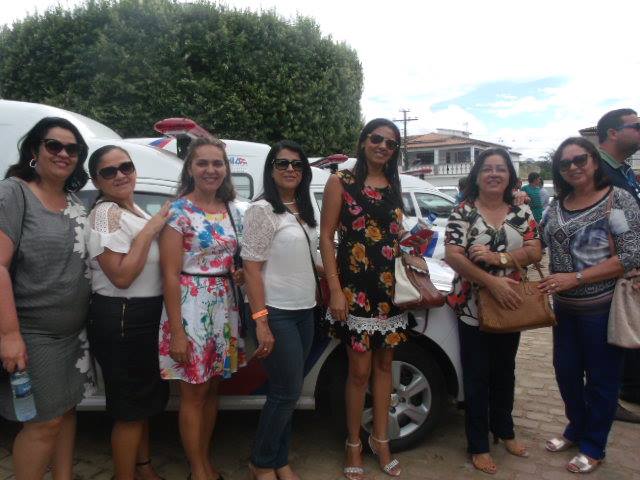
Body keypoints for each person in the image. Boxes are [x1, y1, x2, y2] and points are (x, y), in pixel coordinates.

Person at [0, 117, 95, 479]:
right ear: (34, 150)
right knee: (43, 423)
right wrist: (9, 335)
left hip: (73, 334)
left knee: (66, 410)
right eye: (54, 145)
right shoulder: (14, 193)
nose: (63, 154)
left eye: (72, 149)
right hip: (34, 334)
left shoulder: (73, 199)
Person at [538, 137, 640, 473]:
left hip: (603, 309)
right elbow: (537, 240)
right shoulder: (557, 204)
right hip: (564, 309)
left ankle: (594, 445)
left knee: (602, 380)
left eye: (580, 159)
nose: (573, 167)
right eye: (565, 163)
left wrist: (576, 278)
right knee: (566, 373)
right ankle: (575, 427)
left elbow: (629, 254)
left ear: (594, 160)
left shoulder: (616, 200)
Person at [444, 147, 541, 475]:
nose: (494, 174)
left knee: (505, 371)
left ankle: (504, 430)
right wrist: (491, 282)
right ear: (477, 176)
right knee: (476, 376)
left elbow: (535, 250)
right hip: (472, 307)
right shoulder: (463, 211)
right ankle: (478, 445)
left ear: (509, 176)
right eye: (488, 168)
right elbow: (453, 255)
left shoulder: (521, 211)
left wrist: (500, 259)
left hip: (510, 306)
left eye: (501, 168)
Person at [320, 118, 406, 479]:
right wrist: (336, 290)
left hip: (389, 291)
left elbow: (395, 236)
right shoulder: (341, 181)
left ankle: (381, 439)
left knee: (385, 368)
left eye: (390, 143)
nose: (383, 146)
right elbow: (326, 237)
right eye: (377, 138)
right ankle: (353, 441)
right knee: (358, 372)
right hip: (354, 290)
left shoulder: (395, 185)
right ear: (363, 141)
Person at [159, 137, 245, 480]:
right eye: (203, 163)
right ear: (190, 169)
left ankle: (205, 460)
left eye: (217, 163)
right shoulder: (178, 211)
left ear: (226, 169)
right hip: (190, 306)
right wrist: (177, 333)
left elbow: (233, 259)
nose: (211, 170)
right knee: (193, 394)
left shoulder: (232, 210)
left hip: (224, 305)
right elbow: (169, 274)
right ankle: (197, 470)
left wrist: (236, 273)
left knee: (211, 390)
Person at [85, 145, 170, 480]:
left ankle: (143, 468)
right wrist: (151, 230)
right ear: (97, 180)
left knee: (140, 404)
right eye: (109, 171)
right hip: (123, 316)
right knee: (130, 410)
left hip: (143, 315)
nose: (120, 175)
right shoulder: (105, 213)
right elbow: (121, 276)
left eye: (126, 167)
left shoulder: (131, 209)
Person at [242, 140, 319, 480]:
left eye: (297, 164)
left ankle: (279, 460)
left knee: (288, 392)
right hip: (276, 312)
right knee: (286, 392)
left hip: (305, 310)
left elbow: (309, 258)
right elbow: (251, 269)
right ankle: (261, 462)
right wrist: (261, 322)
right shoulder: (262, 210)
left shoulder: (304, 208)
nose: (290, 169)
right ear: (271, 169)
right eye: (282, 163)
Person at [596, 108, 640, 424]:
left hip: (627, 265)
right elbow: (603, 225)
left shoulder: (623, 171)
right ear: (613, 132)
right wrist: (628, 261)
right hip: (610, 271)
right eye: (636, 126)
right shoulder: (598, 172)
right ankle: (606, 402)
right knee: (606, 340)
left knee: (624, 332)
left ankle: (622, 391)